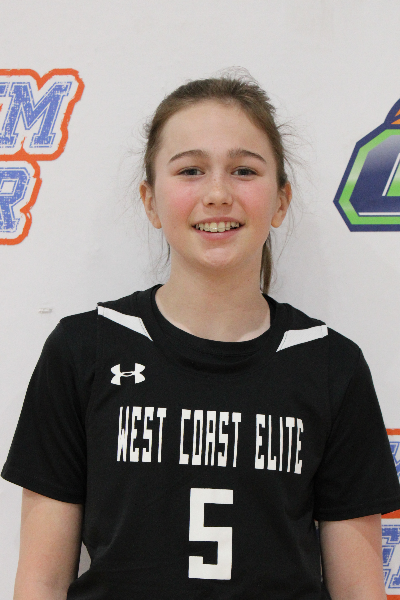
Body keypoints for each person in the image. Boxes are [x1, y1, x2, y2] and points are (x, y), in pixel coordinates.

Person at [2, 73, 400, 600]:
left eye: (244, 170)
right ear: (150, 201)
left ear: (281, 201)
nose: (217, 194)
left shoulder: (330, 365)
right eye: (190, 170)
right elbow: (42, 580)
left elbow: (359, 589)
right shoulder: (84, 349)